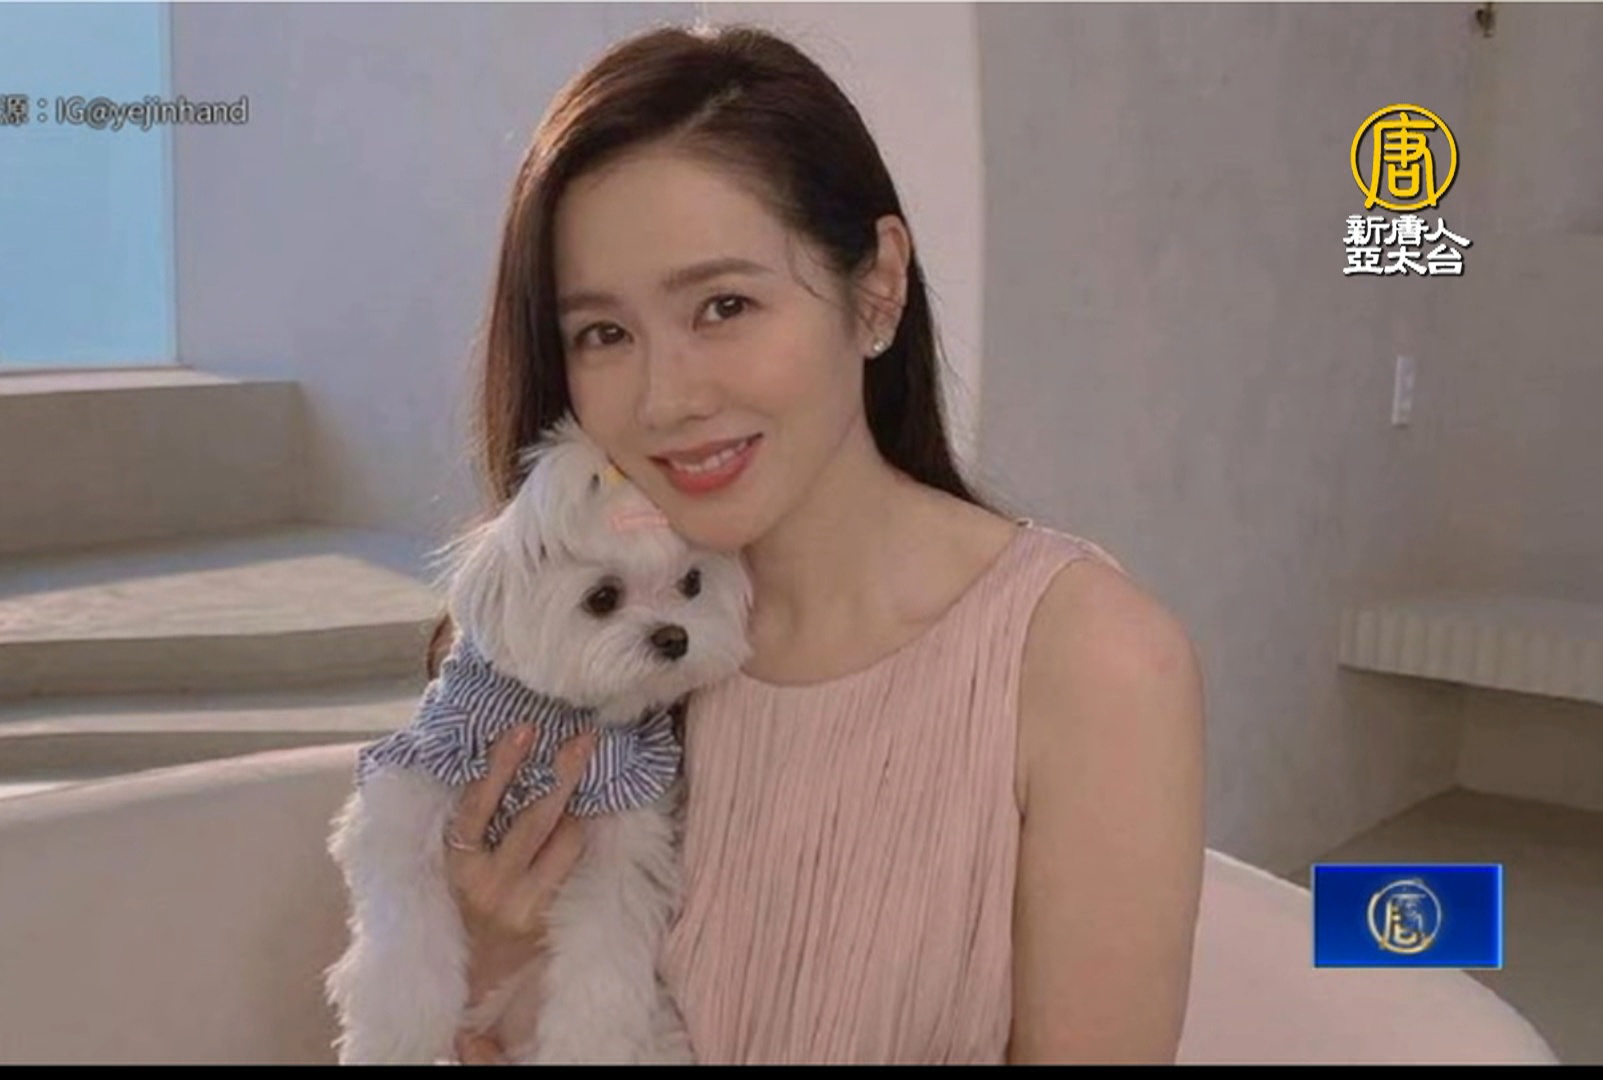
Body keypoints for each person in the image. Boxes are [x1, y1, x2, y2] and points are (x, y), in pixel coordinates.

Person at [433, 22, 1206, 1065]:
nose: (665, 399)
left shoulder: (1091, 662)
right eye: (604, 334)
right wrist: (481, 960)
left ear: (878, 286)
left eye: (724, 305)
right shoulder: (561, 650)